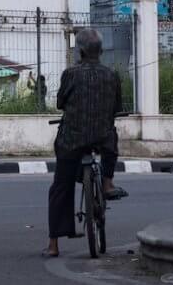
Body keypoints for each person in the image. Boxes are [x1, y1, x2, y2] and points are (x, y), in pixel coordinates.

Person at [44, 29, 127, 258]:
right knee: (112, 138)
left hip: (72, 138)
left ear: (80, 51)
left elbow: (61, 102)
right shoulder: (111, 75)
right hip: (102, 137)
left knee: (61, 186)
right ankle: (108, 183)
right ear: (100, 51)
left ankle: (53, 245)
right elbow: (116, 108)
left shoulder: (70, 74)